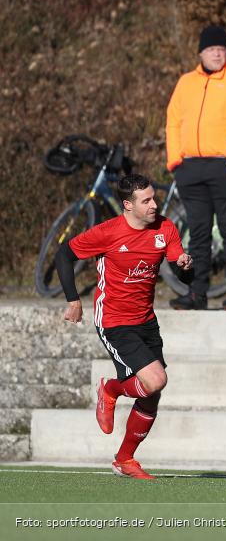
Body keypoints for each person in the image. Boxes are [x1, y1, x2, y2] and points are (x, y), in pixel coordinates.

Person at [54, 174, 193, 480]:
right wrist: (73, 300)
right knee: (157, 380)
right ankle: (110, 389)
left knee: (151, 394)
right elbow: (64, 255)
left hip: (146, 320)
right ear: (128, 206)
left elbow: (177, 266)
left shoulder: (165, 227)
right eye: (146, 201)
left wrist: (183, 264)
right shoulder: (109, 232)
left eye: (154, 198)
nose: (154, 204)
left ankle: (124, 459)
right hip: (114, 320)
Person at [165, 25, 226, 311]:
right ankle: (197, 293)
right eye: (211, 49)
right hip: (190, 168)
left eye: (221, 49)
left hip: (223, 167)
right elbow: (173, 122)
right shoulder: (185, 83)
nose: (217, 53)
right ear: (201, 53)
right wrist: (174, 161)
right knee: (198, 235)